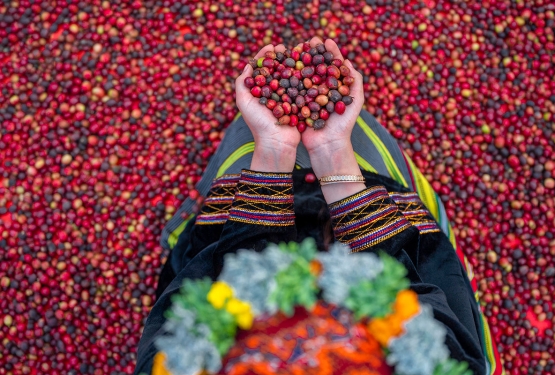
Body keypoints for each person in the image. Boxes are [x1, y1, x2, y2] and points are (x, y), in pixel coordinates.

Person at [134, 37, 493, 375]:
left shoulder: (181, 361)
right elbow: (433, 315)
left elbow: (190, 304)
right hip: (384, 228)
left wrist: (273, 155)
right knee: (369, 145)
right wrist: (334, 155)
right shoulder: (440, 364)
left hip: (238, 227)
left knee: (240, 142)